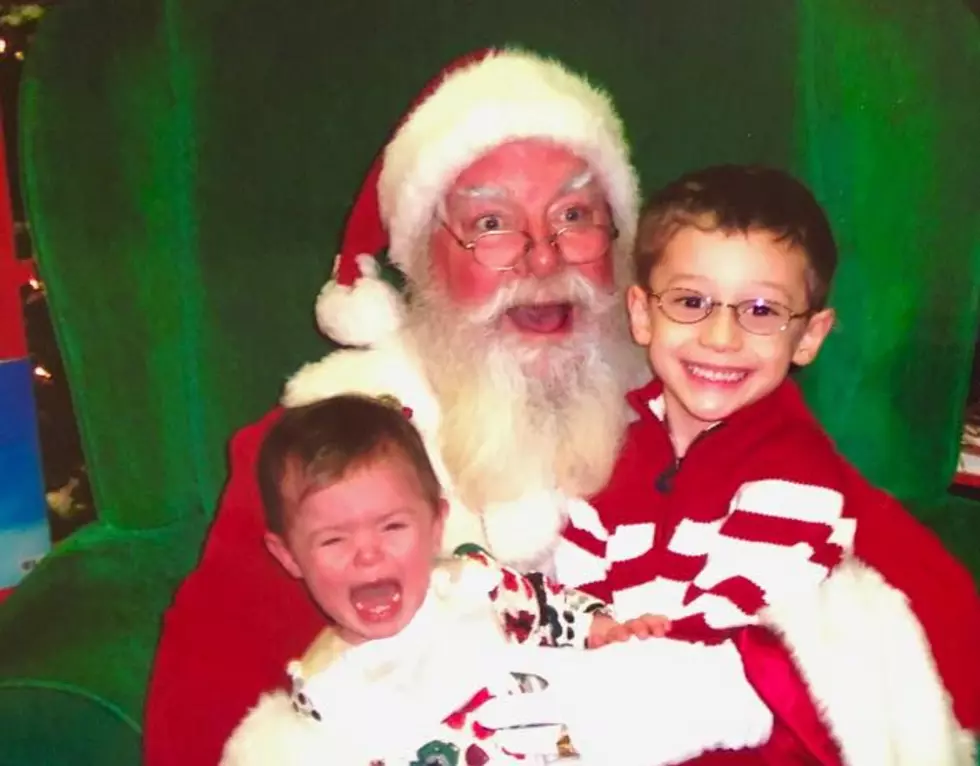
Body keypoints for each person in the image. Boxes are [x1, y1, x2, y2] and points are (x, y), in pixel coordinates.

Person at [144, 49, 979, 766]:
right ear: (423, 262)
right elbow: (209, 708)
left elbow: (917, 613)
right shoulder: (330, 448)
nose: (542, 256)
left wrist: (741, 676)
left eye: (576, 215)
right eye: (492, 225)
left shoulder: (689, 413)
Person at [473, 166, 980, 764]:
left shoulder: (792, 466)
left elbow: (744, 612)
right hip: (603, 693)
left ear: (810, 336)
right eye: (691, 301)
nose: (721, 337)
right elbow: (572, 569)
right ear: (641, 314)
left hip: (726, 718)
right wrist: (586, 633)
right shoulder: (607, 437)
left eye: (762, 311)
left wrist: (629, 659)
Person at [219, 394, 668, 766]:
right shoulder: (324, 688)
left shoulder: (474, 584)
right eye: (333, 540)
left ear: (437, 523)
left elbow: (552, 609)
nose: (367, 553)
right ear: (288, 555)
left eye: (393, 527)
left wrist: (605, 630)